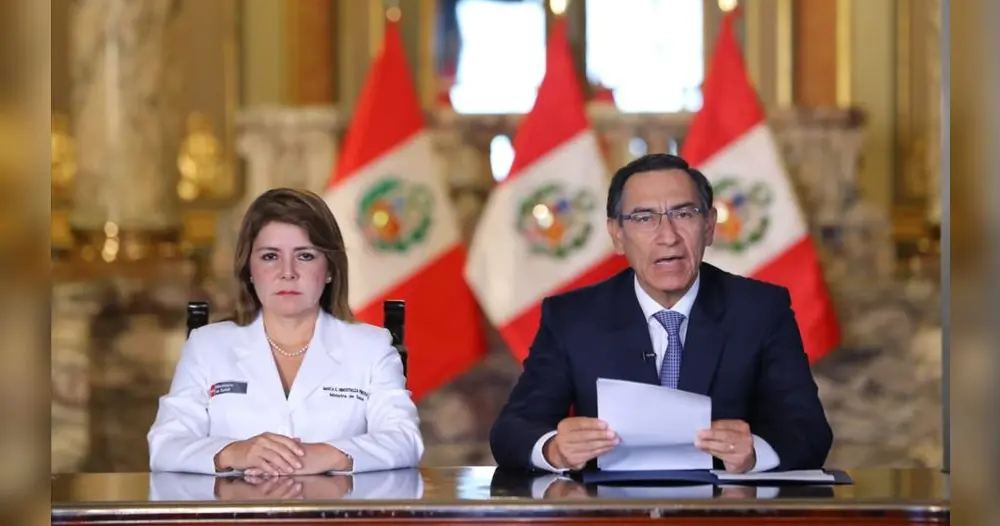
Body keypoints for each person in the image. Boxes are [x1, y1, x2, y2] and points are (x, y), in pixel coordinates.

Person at [489, 154, 832, 474]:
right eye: (644, 218)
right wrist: (554, 450)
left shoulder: (760, 310)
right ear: (617, 235)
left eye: (684, 215)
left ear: (710, 226)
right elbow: (513, 429)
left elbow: (808, 430)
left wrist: (754, 452)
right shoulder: (573, 317)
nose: (668, 236)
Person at [148, 188, 423, 475]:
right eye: (270, 256)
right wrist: (233, 452)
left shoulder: (371, 347)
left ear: (330, 269)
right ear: (249, 270)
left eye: (304, 256)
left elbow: (405, 440)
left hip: (335, 517)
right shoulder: (207, 346)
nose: (287, 272)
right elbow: (165, 445)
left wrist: (330, 455)